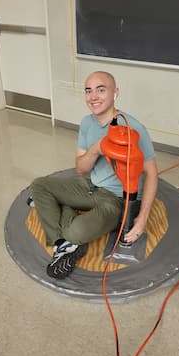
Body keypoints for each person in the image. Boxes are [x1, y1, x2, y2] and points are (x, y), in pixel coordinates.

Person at [30, 71, 158, 279]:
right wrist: (97, 149)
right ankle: (62, 244)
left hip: (116, 200)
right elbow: (81, 169)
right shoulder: (87, 123)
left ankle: (64, 220)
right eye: (88, 91)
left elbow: (152, 174)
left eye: (101, 89)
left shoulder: (134, 128)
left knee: (75, 232)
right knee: (39, 186)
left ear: (115, 93)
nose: (93, 96)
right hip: (89, 186)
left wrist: (142, 218)